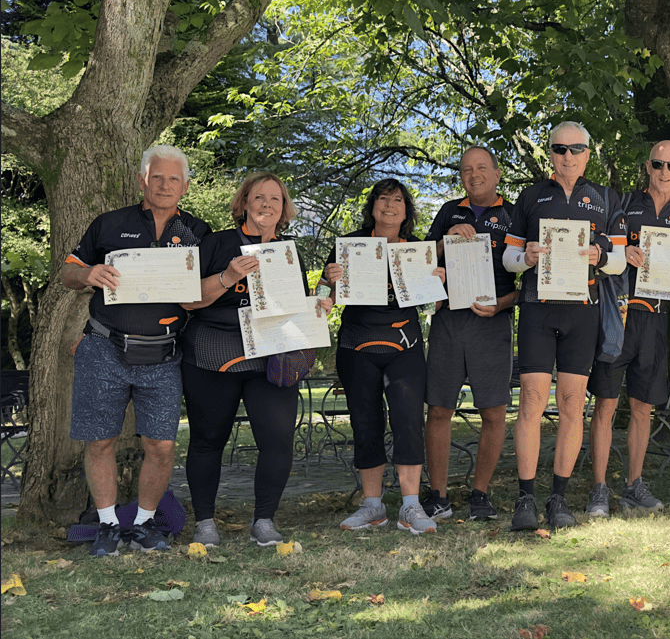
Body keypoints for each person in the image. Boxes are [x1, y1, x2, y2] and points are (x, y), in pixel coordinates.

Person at [63, 145, 211, 556]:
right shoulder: (109, 224)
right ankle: (109, 526)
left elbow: (211, 289)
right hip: (103, 347)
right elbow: (67, 270)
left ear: (185, 186)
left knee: (161, 445)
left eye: (174, 179)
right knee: (99, 441)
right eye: (158, 177)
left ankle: (145, 525)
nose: (165, 185)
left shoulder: (200, 231)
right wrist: (88, 272)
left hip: (164, 354)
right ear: (143, 179)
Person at [502, 122, 627, 530]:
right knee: (532, 402)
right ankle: (525, 500)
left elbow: (621, 261)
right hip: (538, 308)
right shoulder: (531, 196)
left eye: (576, 149)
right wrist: (528, 260)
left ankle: (558, 498)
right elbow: (508, 259)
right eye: (560, 148)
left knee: (573, 404)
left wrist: (599, 256)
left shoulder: (605, 198)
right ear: (550, 153)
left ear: (588, 153)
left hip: (583, 312)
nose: (568, 156)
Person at [182, 172, 317, 547]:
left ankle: (264, 521)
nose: (267, 205)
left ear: (284, 209)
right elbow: (189, 300)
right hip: (213, 352)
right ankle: (205, 522)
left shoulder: (289, 250)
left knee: (277, 441)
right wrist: (226, 276)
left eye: (276, 199)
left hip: (270, 355)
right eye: (259, 197)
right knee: (208, 440)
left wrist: (320, 303)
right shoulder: (216, 243)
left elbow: (294, 307)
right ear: (243, 203)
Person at [323, 179, 443, 535]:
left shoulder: (418, 249)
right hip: (357, 346)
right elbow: (323, 294)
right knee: (365, 423)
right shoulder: (348, 245)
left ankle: (411, 506)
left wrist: (439, 278)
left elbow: (432, 299)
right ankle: (372, 507)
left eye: (397, 200)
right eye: (382, 199)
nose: (389, 205)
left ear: (406, 210)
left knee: (408, 421)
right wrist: (329, 280)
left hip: (403, 345)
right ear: (372, 206)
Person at [585, 140, 670, 517]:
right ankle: (599, 488)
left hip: (657, 319)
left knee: (644, 407)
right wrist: (622, 254)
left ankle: (633, 484)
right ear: (648, 166)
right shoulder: (623, 203)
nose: (665, 172)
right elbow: (603, 251)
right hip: (619, 315)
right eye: (659, 164)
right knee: (606, 405)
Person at [422, 147, 518, 522]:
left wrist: (501, 303)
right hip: (449, 320)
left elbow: (527, 280)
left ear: (496, 174)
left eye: (481, 168)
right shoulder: (449, 210)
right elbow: (422, 259)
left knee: (493, 411)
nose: (474, 175)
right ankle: (439, 496)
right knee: (439, 408)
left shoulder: (513, 215)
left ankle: (480, 494)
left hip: (492, 321)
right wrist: (445, 240)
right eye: (466, 170)